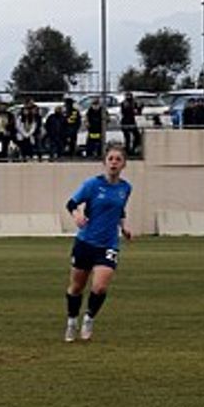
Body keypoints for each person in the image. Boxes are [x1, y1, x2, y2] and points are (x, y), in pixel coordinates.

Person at [63, 144, 133, 342]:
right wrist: (77, 215)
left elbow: (120, 210)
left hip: (109, 244)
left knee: (100, 287)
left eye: (118, 159)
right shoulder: (92, 184)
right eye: (110, 159)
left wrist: (124, 227)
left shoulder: (125, 188)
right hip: (86, 242)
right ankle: (72, 321)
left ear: (124, 164)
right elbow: (71, 203)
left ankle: (89, 318)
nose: (114, 163)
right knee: (76, 287)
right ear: (104, 162)